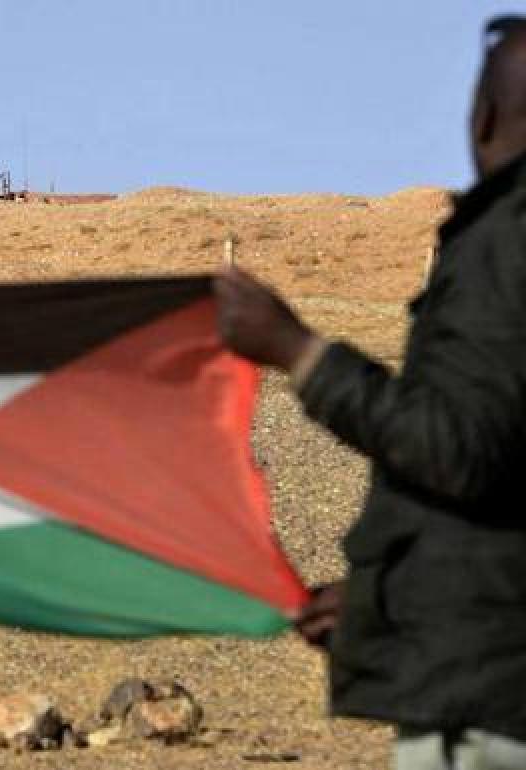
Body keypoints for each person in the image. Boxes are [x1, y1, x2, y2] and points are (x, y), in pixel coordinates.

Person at [215, 16, 526, 770]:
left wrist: (300, 351)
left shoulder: (506, 241)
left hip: (487, 703)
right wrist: (394, 597)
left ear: (483, 117)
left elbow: (458, 448)